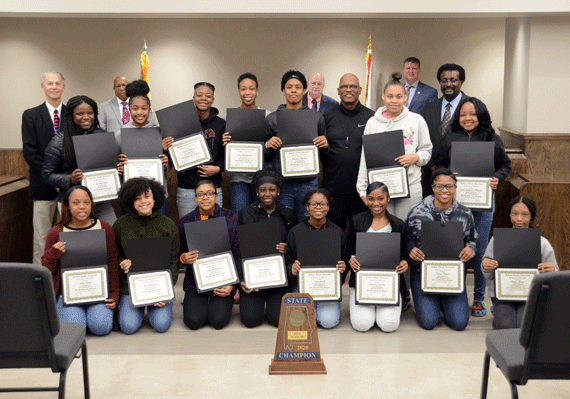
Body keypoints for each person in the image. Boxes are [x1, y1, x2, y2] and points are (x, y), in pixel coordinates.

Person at [435, 97, 512, 317]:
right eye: (463, 114)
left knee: (478, 251)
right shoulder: (449, 137)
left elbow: (505, 165)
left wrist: (497, 178)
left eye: (473, 114)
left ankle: (479, 298)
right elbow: (438, 164)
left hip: (482, 204)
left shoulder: (492, 138)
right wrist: (449, 175)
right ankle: (448, 292)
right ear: (458, 117)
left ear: (481, 115)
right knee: (452, 249)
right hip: (453, 203)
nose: (468, 118)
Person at [41, 186, 119, 336]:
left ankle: (90, 316)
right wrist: (53, 254)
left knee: (101, 327)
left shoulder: (104, 228)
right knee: (75, 331)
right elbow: (45, 267)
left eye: (87, 202)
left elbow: (113, 264)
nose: (82, 207)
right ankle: (79, 316)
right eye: (76, 203)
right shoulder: (57, 232)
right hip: (68, 294)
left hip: (99, 292)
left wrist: (114, 295)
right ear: (67, 206)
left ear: (92, 205)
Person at [406, 168, 477, 331]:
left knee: (459, 323)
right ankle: (431, 302)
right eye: (439, 186)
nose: (445, 190)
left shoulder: (465, 213)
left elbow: (472, 239)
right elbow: (407, 237)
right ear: (432, 187)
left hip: (452, 275)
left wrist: (471, 248)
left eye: (450, 186)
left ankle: (443, 301)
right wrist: (411, 248)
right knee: (429, 322)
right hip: (423, 274)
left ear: (456, 188)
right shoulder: (417, 211)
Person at [356, 72, 433, 221]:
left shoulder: (416, 120)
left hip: (410, 187)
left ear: (406, 97)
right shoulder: (372, 122)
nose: (394, 101)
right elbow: (365, 158)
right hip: (380, 191)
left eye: (399, 97)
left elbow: (427, 150)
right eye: (390, 96)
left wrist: (416, 157)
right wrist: (362, 190)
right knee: (386, 231)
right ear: (383, 96)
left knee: (408, 230)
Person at [113, 177, 180, 334]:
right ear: (131, 201)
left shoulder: (168, 225)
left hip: (159, 285)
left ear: (155, 197)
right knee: (128, 327)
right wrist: (121, 262)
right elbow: (115, 254)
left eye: (147, 196)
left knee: (161, 325)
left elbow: (173, 262)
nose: (143, 201)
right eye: (137, 198)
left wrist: (166, 291)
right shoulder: (120, 224)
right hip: (130, 286)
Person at [482, 196, 558, 330]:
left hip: (530, 295)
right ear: (509, 215)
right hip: (502, 294)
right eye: (515, 213)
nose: (519, 219)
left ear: (531, 217)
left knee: (523, 327)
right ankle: (498, 316)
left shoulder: (542, 243)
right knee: (506, 326)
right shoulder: (497, 240)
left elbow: (554, 274)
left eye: (525, 214)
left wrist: (553, 271)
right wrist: (485, 266)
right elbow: (488, 275)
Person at [42, 95, 117, 224]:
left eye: (90, 113)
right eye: (80, 114)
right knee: (79, 243)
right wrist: (70, 178)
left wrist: (118, 168)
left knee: (111, 235)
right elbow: (47, 175)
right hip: (72, 204)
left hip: (100, 202)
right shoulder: (58, 142)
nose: (86, 117)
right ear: (71, 116)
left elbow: (111, 167)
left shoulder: (103, 137)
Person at [265, 70, 329, 222]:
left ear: (304, 90)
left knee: (307, 225)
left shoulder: (316, 117)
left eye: (298, 87)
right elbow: (264, 157)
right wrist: (267, 145)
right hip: (282, 183)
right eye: (289, 87)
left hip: (308, 182)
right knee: (283, 225)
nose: (293, 90)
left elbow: (325, 156)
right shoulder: (272, 118)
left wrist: (325, 146)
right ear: (283, 90)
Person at [178, 180, 241, 330]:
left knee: (218, 321)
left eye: (209, 193)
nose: (205, 197)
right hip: (196, 281)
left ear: (216, 196)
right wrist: (183, 258)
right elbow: (178, 252)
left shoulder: (231, 218)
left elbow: (238, 253)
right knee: (193, 322)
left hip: (223, 280)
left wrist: (232, 285)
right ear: (195, 198)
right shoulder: (185, 222)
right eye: (200, 194)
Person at [347, 182, 409, 332]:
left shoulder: (398, 224)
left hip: (389, 284)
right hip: (362, 283)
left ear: (388, 198)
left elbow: (405, 252)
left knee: (389, 325)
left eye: (380, 198)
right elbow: (348, 248)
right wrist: (350, 258)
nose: (376, 203)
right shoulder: (356, 221)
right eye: (371, 199)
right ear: (366, 200)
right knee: (362, 324)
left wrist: (405, 262)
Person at [238, 168, 296, 327]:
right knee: (250, 320)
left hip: (277, 276)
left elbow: (295, 246)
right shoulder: (245, 213)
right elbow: (239, 248)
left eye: (272, 190)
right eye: (263, 190)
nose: (267, 194)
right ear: (257, 191)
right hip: (253, 276)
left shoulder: (288, 214)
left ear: (278, 191)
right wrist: (241, 280)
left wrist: (287, 249)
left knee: (278, 320)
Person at [286, 188, 348, 329]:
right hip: (303, 285)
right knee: (300, 321)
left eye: (323, 204)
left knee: (328, 322)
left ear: (328, 206)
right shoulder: (295, 232)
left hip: (328, 286)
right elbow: (288, 260)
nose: (318, 207)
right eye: (314, 204)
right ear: (307, 207)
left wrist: (343, 268)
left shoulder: (337, 232)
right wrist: (293, 269)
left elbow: (345, 260)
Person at [22, 70, 66, 265]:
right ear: (43, 87)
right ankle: (40, 282)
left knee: (67, 236)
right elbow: (30, 153)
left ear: (63, 88)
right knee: (42, 237)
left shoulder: (73, 114)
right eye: (50, 83)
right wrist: (52, 178)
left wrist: (62, 179)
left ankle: (64, 283)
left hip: (67, 187)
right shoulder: (30, 115)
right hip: (42, 187)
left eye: (58, 83)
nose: (54, 87)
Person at [163, 82, 225, 218]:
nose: (203, 98)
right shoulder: (179, 125)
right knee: (188, 230)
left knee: (215, 231)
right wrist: (165, 148)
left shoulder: (221, 124)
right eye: (199, 95)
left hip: (213, 188)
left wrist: (218, 168)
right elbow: (170, 159)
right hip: (187, 188)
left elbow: (226, 155)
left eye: (208, 96)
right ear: (193, 98)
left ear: (213, 100)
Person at [322, 73, 374, 230]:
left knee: (359, 235)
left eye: (353, 86)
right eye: (344, 86)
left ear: (359, 90)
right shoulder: (327, 117)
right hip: (333, 190)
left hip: (361, 192)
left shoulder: (371, 117)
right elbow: (320, 153)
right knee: (334, 235)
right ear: (338, 90)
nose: (348, 90)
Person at [116, 80, 170, 216]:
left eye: (144, 108)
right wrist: (119, 168)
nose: (139, 112)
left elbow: (171, 166)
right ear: (129, 109)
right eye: (135, 108)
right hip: (130, 196)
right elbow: (113, 166)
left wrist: (166, 164)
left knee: (158, 234)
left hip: (157, 194)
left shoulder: (160, 133)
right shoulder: (120, 135)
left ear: (149, 109)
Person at [222, 73, 270, 215]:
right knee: (241, 218)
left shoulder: (266, 115)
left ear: (257, 90)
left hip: (261, 179)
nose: (247, 92)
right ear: (238, 91)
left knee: (261, 219)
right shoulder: (229, 116)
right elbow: (223, 150)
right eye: (243, 89)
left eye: (251, 88)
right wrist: (224, 142)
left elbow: (272, 148)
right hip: (238, 179)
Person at [422, 63, 467, 198]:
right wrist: (430, 166)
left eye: (453, 80)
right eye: (444, 81)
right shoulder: (430, 108)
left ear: (461, 81)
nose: (448, 84)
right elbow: (422, 138)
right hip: (432, 178)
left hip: (460, 178)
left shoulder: (471, 106)